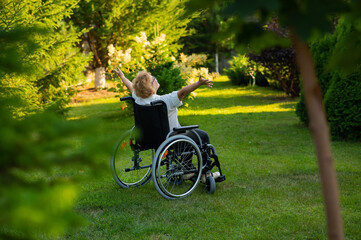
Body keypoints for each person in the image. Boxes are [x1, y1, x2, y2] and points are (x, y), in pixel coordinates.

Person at [114, 67, 220, 181]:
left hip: (148, 139)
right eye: (152, 79)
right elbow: (183, 92)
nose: (155, 79)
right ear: (151, 86)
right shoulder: (164, 101)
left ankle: (186, 168)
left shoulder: (138, 98)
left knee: (187, 136)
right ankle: (205, 174)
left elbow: (130, 86)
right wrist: (198, 83)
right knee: (202, 136)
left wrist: (122, 77)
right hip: (170, 138)